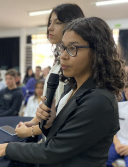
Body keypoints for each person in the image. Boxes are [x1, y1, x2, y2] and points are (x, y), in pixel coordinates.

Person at [0, 17, 126, 167]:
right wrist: (49, 123)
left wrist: (8, 148)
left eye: (73, 48)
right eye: (63, 48)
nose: (63, 56)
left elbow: (53, 150)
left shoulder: (100, 100)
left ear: (98, 52)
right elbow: (65, 136)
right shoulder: (71, 88)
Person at [17, 3, 85, 138]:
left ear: (73, 25)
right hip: (48, 135)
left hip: (61, 140)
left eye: (58, 22)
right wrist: (32, 123)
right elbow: (49, 109)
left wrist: (30, 131)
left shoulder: (74, 67)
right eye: (49, 23)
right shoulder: (58, 62)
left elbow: (65, 119)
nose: (50, 27)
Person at [107, 82, 128, 167]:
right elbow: (112, 128)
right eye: (127, 89)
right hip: (117, 143)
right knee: (103, 162)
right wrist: (117, 143)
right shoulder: (118, 107)